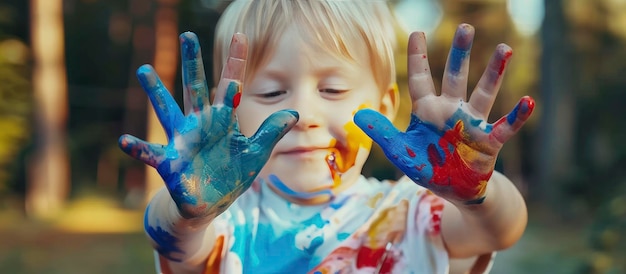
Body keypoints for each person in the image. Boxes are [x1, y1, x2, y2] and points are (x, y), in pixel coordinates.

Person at [118, 0, 535, 273]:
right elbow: (171, 238)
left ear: (386, 108)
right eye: (271, 93)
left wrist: (475, 194)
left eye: (333, 90)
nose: (304, 116)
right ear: (230, 112)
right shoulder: (229, 223)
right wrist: (189, 213)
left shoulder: (406, 213)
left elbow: (501, 230)